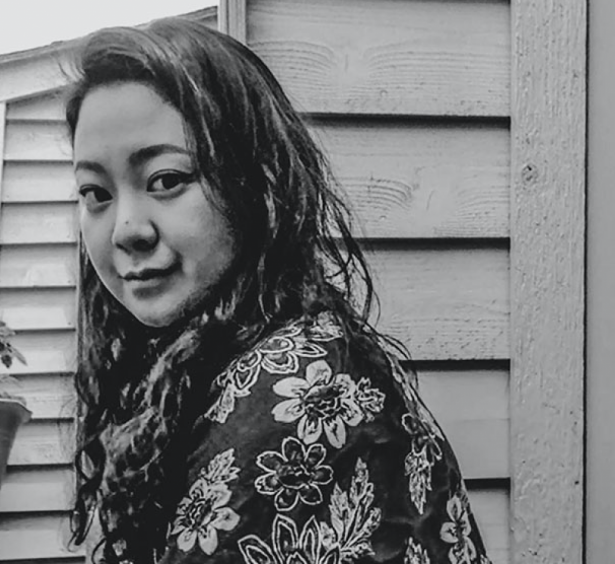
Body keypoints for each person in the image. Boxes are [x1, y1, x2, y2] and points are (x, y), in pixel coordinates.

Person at [64, 17, 492, 564]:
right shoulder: (202, 370)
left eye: (167, 180)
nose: (126, 228)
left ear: (257, 182)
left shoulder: (295, 394)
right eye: (95, 193)